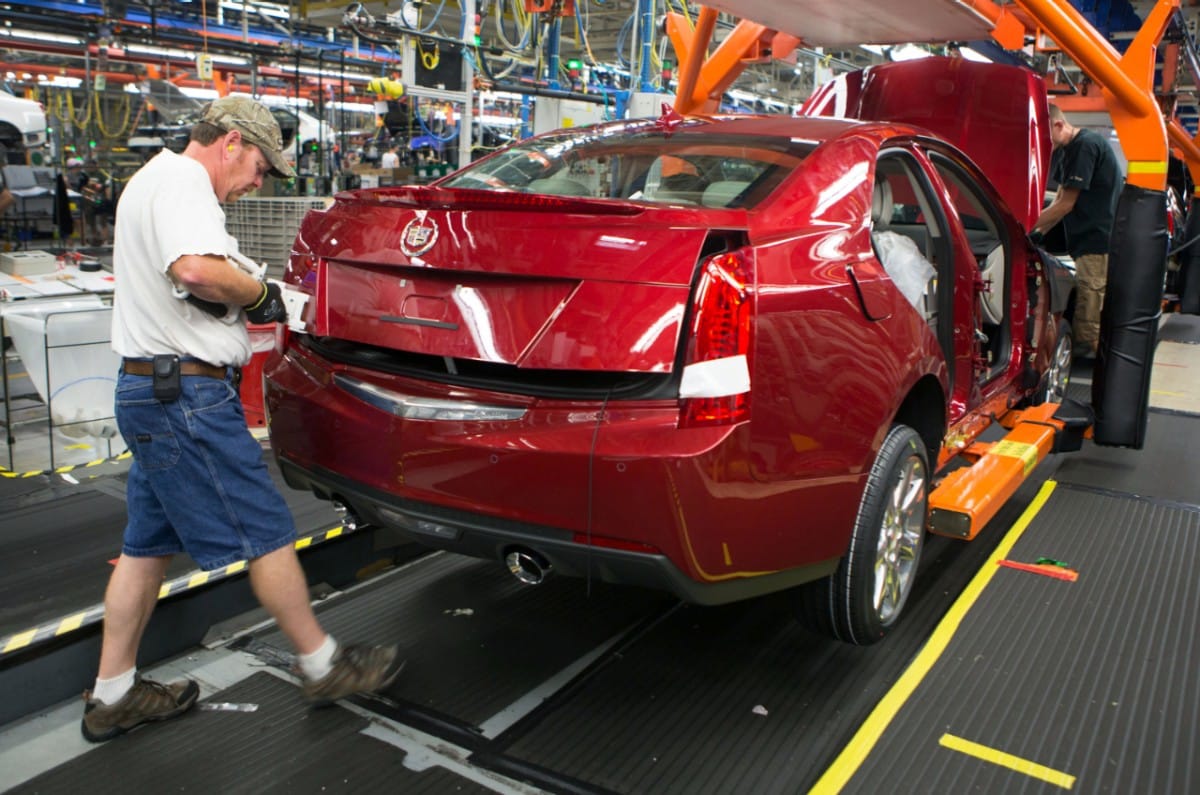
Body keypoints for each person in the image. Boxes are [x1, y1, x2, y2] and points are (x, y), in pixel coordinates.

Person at [82, 96, 403, 744]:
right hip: (185, 400)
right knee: (265, 528)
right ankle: (323, 662)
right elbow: (196, 269)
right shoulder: (185, 183)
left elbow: (204, 271)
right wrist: (261, 296)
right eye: (259, 166)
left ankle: (113, 693)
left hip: (148, 392)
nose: (258, 182)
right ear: (230, 142)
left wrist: (263, 289)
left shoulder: (150, 181)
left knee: (145, 547)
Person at [1033, 104, 1122, 358]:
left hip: (1096, 238)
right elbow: (1060, 195)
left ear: (1059, 125)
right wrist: (1039, 231)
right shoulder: (1066, 150)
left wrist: (1027, 225)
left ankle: (1099, 372)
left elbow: (1066, 204)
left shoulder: (1085, 146)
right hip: (1082, 238)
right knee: (1087, 299)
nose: (1046, 143)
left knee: (1090, 309)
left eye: (1047, 135)